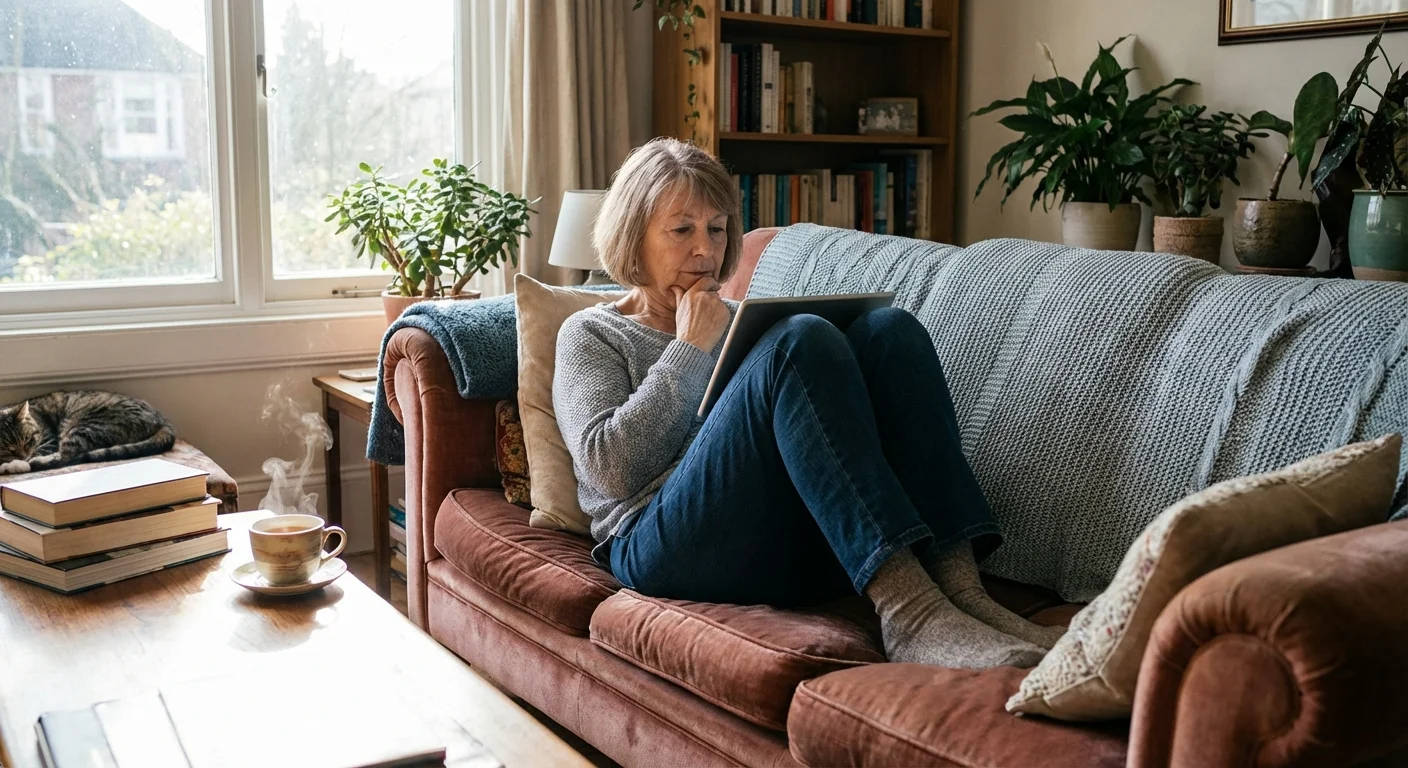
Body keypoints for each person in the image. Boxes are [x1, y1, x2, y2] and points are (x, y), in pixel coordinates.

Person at [552, 138, 1063, 668]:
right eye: (682, 230)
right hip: (657, 546)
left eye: (717, 228)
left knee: (891, 330)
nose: (704, 250)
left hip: (787, 539)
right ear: (634, 238)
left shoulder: (740, 319)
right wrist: (688, 349)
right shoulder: (592, 332)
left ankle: (964, 596)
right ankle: (910, 615)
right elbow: (610, 469)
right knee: (799, 340)